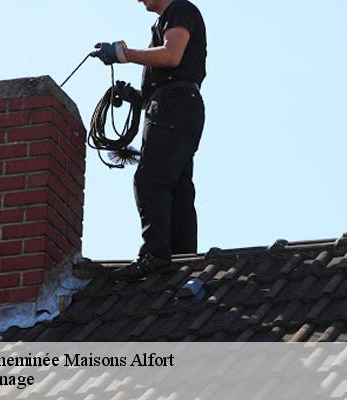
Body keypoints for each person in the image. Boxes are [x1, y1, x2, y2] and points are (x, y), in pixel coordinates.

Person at [90, 0, 207, 281]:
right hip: (178, 105)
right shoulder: (170, 17)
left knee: (150, 180)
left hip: (173, 106)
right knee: (177, 184)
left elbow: (171, 56)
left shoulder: (179, 9)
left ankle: (155, 255)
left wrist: (124, 54)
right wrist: (138, 98)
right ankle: (181, 258)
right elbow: (172, 69)